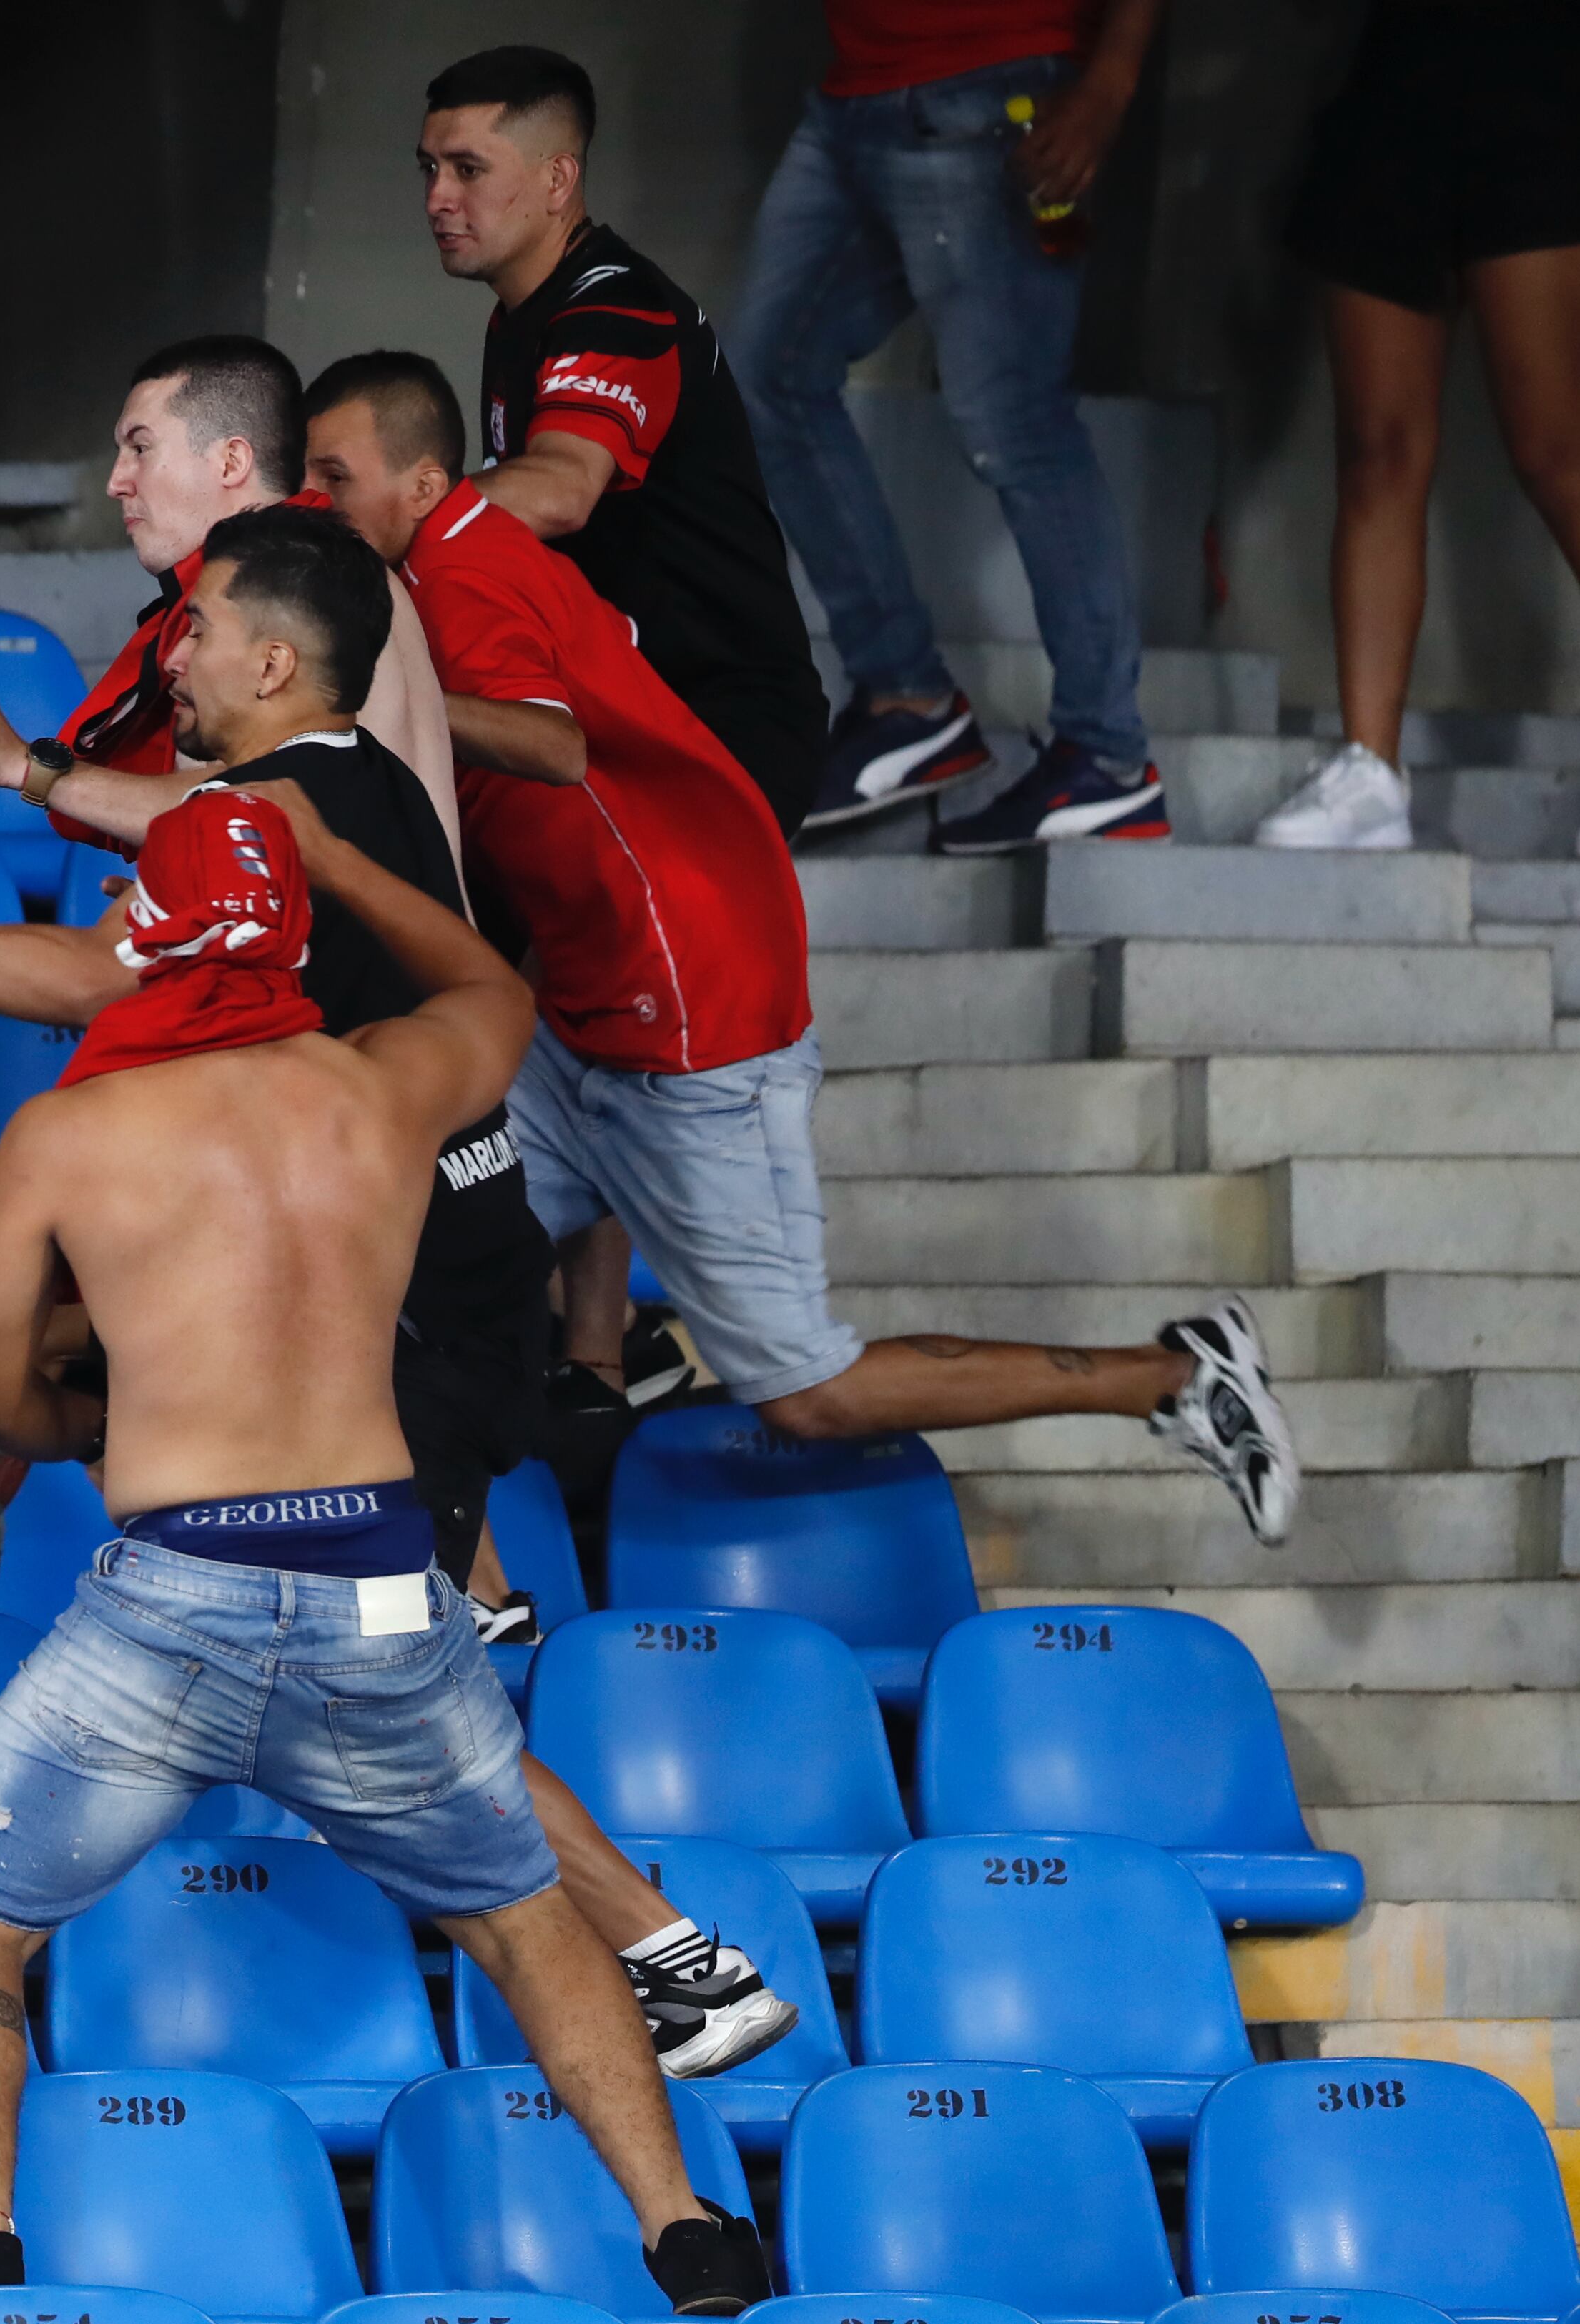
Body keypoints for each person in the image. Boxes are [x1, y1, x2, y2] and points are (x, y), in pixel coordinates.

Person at [0, 502, 796, 2087]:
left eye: (200, 623)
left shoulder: (275, 808)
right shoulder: (328, 790)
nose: (178, 644)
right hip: (436, 1290)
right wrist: (28, 777)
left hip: (410, 1316)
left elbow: (103, 978)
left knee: (395, 1674)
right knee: (22, 1334)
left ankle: (671, 1954)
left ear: (277, 657)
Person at [0, 790, 770, 2316]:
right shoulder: (385, 1089)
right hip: (386, 1591)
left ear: (145, 933)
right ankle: (684, 2227)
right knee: (526, 1914)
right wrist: (337, 859)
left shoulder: (70, 1128)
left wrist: (87, 1424)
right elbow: (500, 992)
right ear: (294, 933)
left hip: (170, 1600)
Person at [293, 344, 1305, 1545]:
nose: (311, 502)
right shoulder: (444, 564)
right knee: (389, 1235)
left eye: (332, 475)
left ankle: (1175, 1374)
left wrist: (362, 716)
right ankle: (468, 1567)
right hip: (586, 1017)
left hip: (691, 1028)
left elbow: (551, 745)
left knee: (807, 1393)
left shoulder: (467, 585)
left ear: (419, 484)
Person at [728, 0, 1171, 849]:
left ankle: (1109, 757)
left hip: (992, 86)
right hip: (854, 95)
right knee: (765, 378)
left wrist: (1111, 86)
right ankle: (905, 697)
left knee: (1015, 421)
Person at [417, 44, 828, 844]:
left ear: (558, 180)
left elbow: (563, 490)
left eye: (468, 169)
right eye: (428, 168)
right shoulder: (522, 314)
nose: (437, 197)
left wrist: (385, 519)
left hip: (720, 724)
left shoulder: (617, 304)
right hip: (623, 713)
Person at [0, 334, 463, 854]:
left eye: (140, 447)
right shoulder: (332, 567)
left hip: (344, 946)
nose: (116, 482)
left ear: (231, 462)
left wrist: (25, 765)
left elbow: (240, 809)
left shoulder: (292, 585)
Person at [1254, 0, 1580, 851]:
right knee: (1377, 450)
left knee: (1556, 452)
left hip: (1544, 87)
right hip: (1399, 89)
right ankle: (1370, 771)